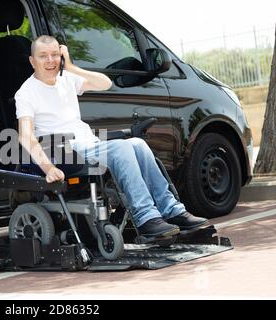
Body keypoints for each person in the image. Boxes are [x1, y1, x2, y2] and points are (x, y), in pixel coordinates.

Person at [15, 35, 208, 239]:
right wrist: (49, 168)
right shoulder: (26, 92)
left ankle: (172, 211)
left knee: (138, 144)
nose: (50, 61)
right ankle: (145, 218)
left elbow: (105, 83)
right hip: (62, 151)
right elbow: (25, 135)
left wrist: (70, 67)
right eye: (43, 56)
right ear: (32, 60)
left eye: (55, 54)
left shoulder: (67, 78)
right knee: (122, 148)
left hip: (88, 144)